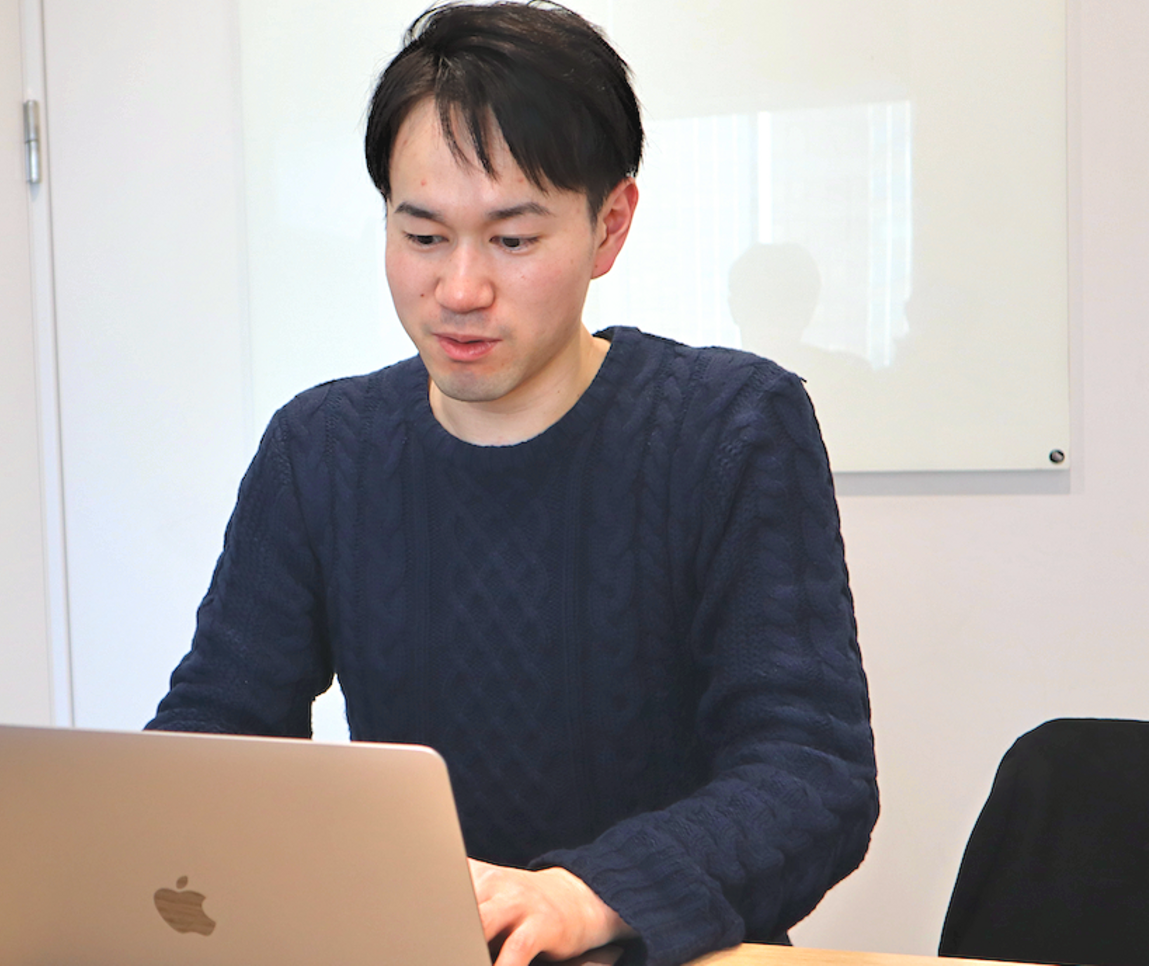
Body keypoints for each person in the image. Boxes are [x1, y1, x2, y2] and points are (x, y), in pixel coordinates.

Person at [148, 4, 878, 965]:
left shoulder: (730, 429)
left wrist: (589, 894)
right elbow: (217, 732)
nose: (459, 290)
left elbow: (810, 775)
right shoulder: (320, 447)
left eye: (513, 241)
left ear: (609, 226)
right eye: (422, 236)